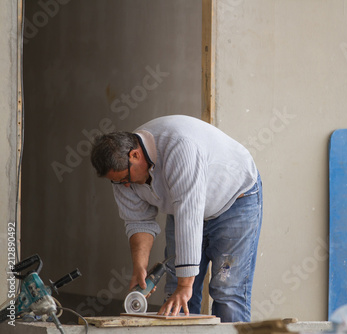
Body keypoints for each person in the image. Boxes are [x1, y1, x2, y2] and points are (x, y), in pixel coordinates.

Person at [90, 115, 262, 322]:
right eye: (118, 182)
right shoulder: (121, 173)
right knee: (175, 295)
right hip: (181, 208)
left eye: (125, 179)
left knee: (227, 291)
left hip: (235, 202)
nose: (125, 185)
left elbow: (189, 215)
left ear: (135, 155)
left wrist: (185, 285)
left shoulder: (180, 147)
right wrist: (140, 268)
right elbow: (138, 221)